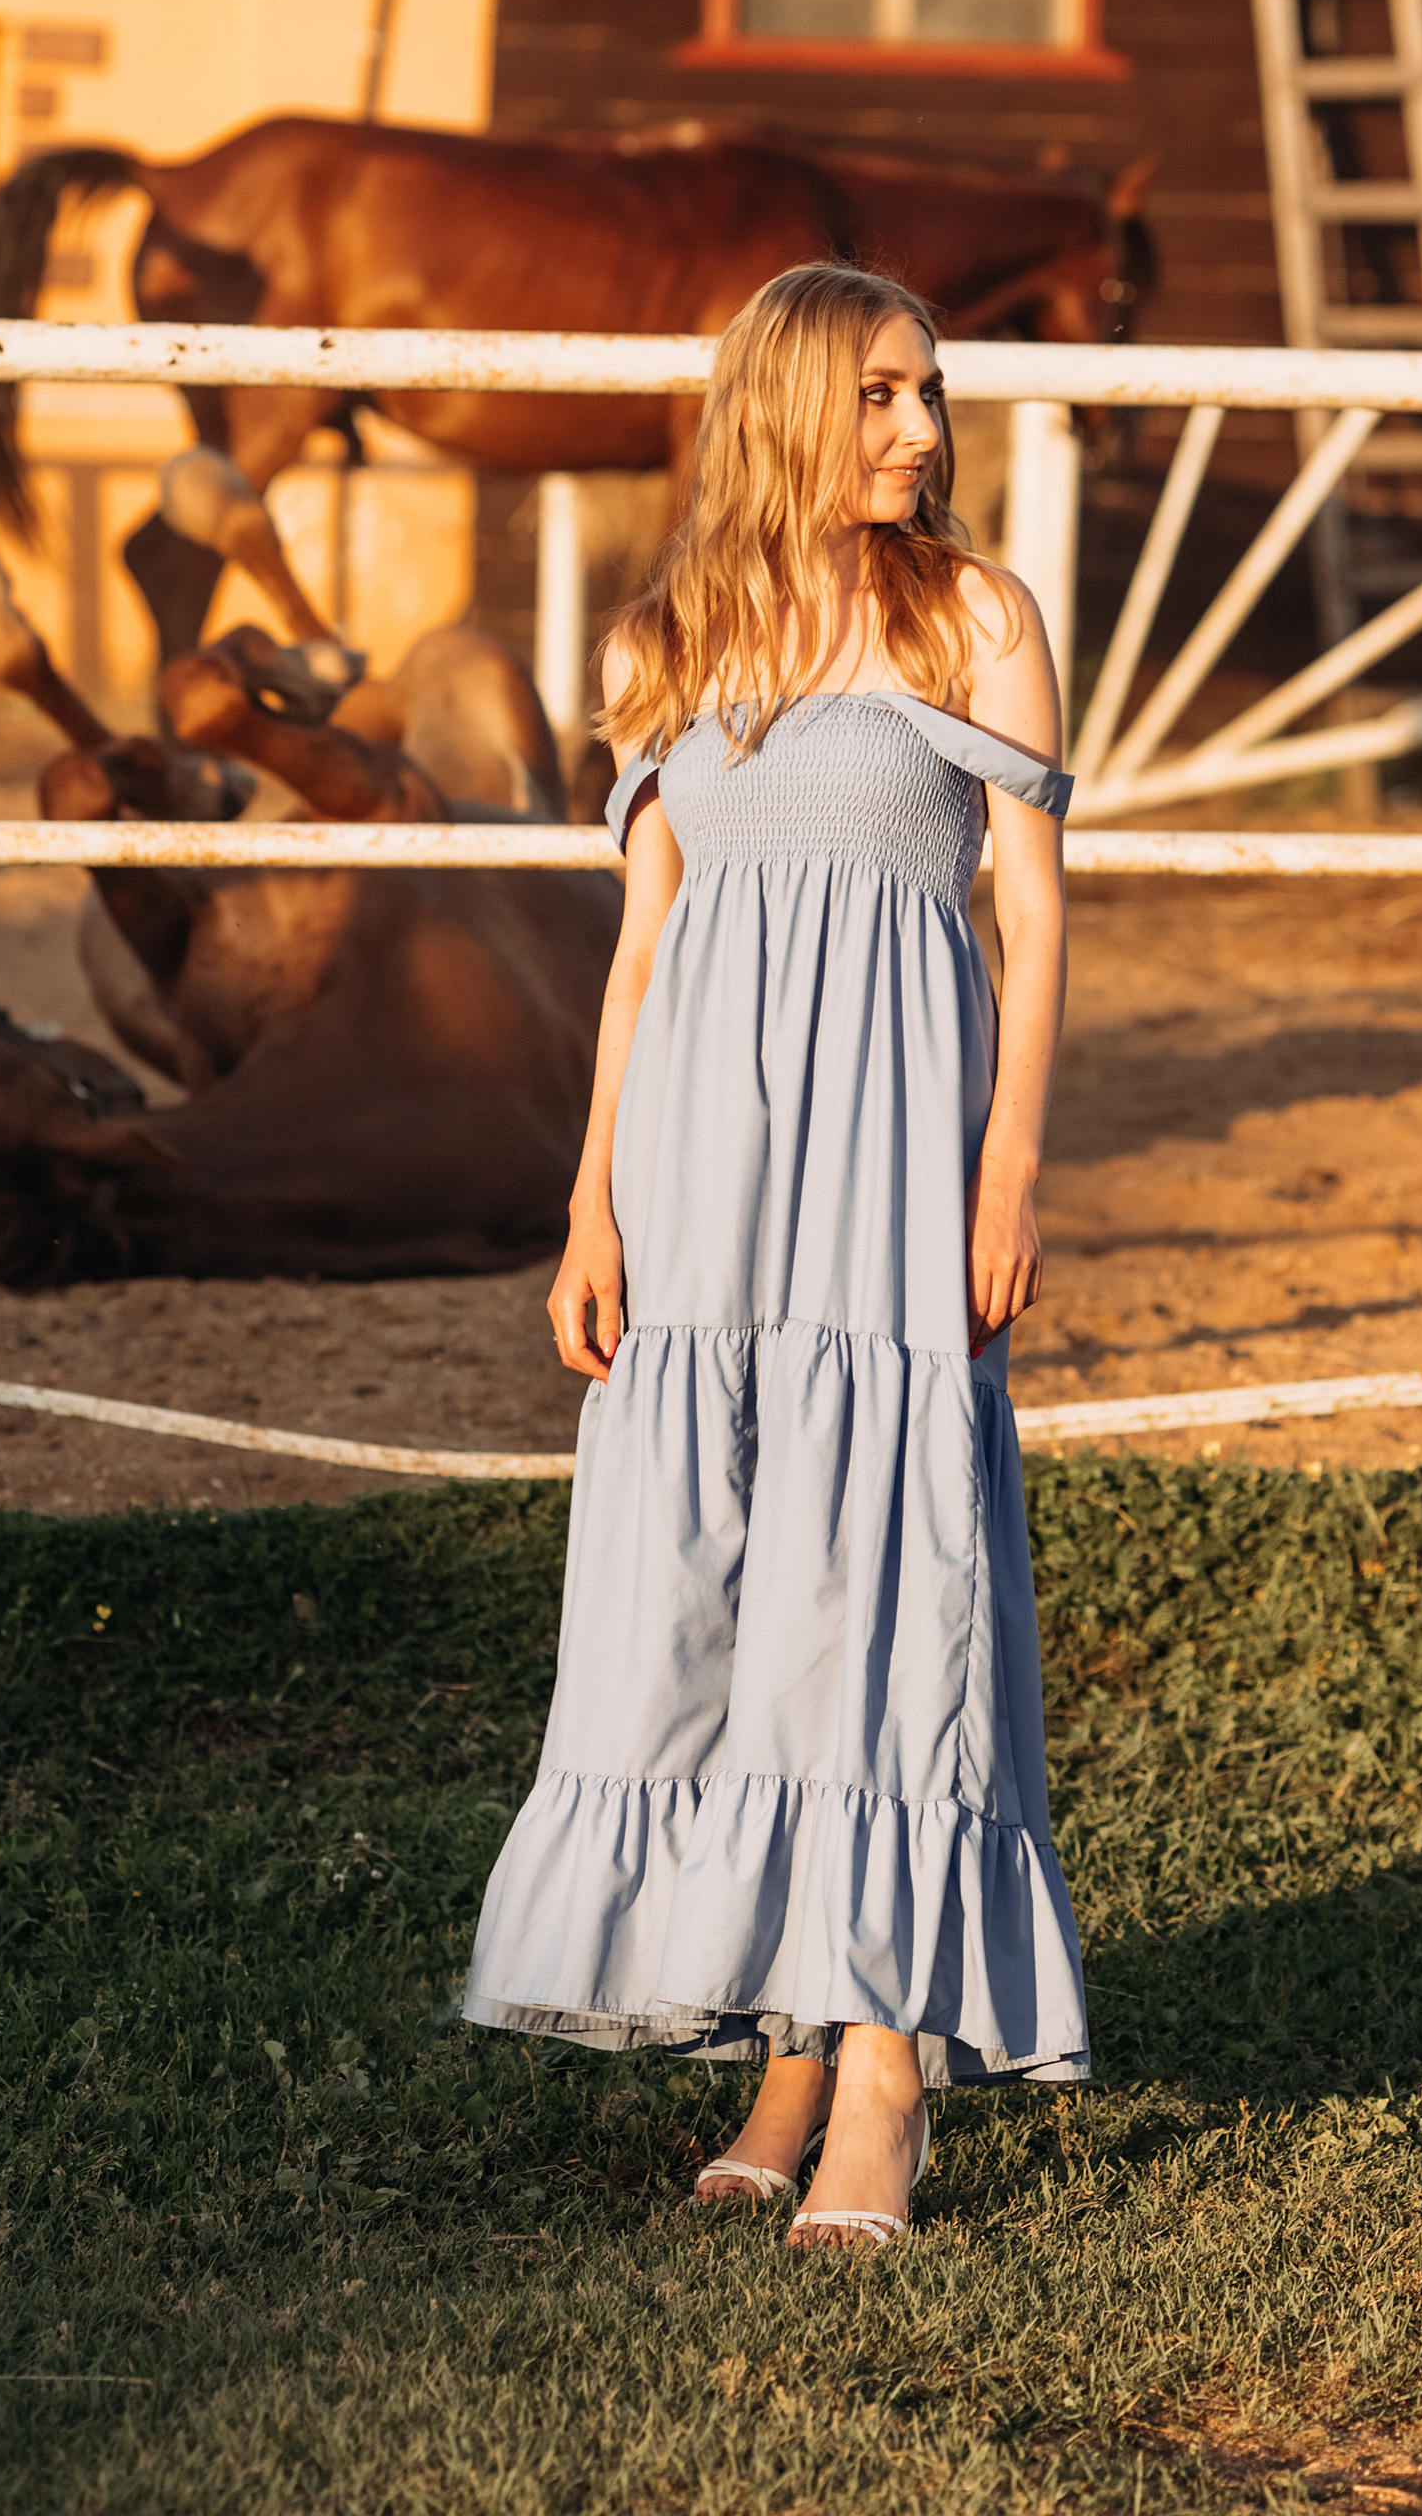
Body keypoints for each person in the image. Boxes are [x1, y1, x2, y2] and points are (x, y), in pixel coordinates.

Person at [463, 261, 1088, 2246]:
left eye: (928, 395)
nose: (918, 429)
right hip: (698, 1180)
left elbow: (1032, 913)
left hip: (899, 1154)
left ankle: (883, 2077)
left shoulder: (979, 619)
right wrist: (588, 1200)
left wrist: (1006, 1161)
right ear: (786, 406)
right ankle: (784, 2051)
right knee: (725, 1589)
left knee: (882, 1581)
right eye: (880, 395)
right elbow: (638, 950)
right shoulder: (661, 647)